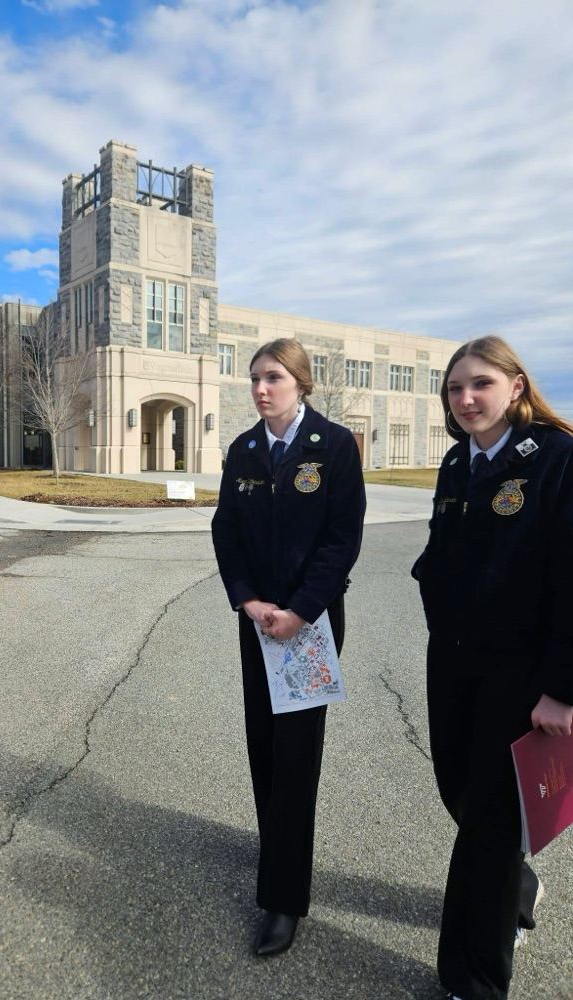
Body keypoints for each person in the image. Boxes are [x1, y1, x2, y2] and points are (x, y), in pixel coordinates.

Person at [412, 335, 573, 1000]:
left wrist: (563, 689)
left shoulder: (558, 459)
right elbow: (440, 551)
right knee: (460, 792)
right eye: (455, 388)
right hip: (452, 661)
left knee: (488, 822)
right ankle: (515, 883)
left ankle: (474, 981)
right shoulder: (457, 463)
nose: (466, 398)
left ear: (515, 386)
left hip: (521, 671)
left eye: (480, 383)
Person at [211, 338, 366, 956]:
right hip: (259, 621)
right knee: (263, 741)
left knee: (297, 754)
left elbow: (341, 537)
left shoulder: (333, 447)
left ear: (301, 382)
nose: (260, 388)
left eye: (273, 377)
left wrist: (300, 610)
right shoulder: (244, 450)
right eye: (254, 378)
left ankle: (282, 897)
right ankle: (276, 842)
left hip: (309, 625)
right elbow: (227, 530)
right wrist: (248, 600)